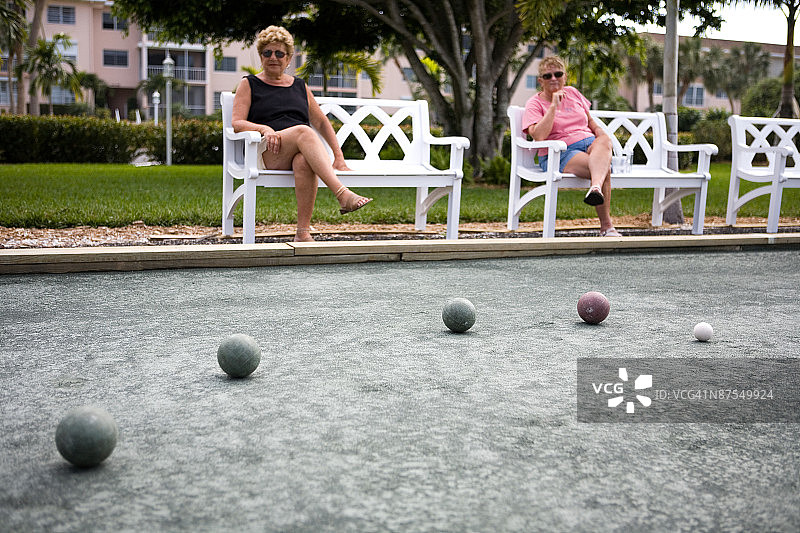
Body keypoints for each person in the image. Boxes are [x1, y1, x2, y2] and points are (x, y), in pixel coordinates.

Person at [231, 26, 372, 242]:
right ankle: (343, 195)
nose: (273, 58)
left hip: (299, 149)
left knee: (304, 161)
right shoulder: (249, 84)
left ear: (288, 59)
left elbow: (322, 122)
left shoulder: (299, 86)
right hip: (266, 151)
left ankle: (303, 233)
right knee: (304, 131)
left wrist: (339, 157)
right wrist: (264, 129)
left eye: (279, 53)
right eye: (267, 53)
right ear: (260, 56)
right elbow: (237, 122)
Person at [522, 56, 621, 237]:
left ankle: (595, 188)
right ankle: (606, 227)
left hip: (590, 145)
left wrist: (600, 133)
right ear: (540, 81)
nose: (553, 78)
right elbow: (539, 136)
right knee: (603, 168)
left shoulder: (574, 93)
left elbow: (589, 120)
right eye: (547, 76)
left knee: (605, 141)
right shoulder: (534, 103)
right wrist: (553, 106)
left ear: (564, 77)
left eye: (558, 74)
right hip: (560, 153)